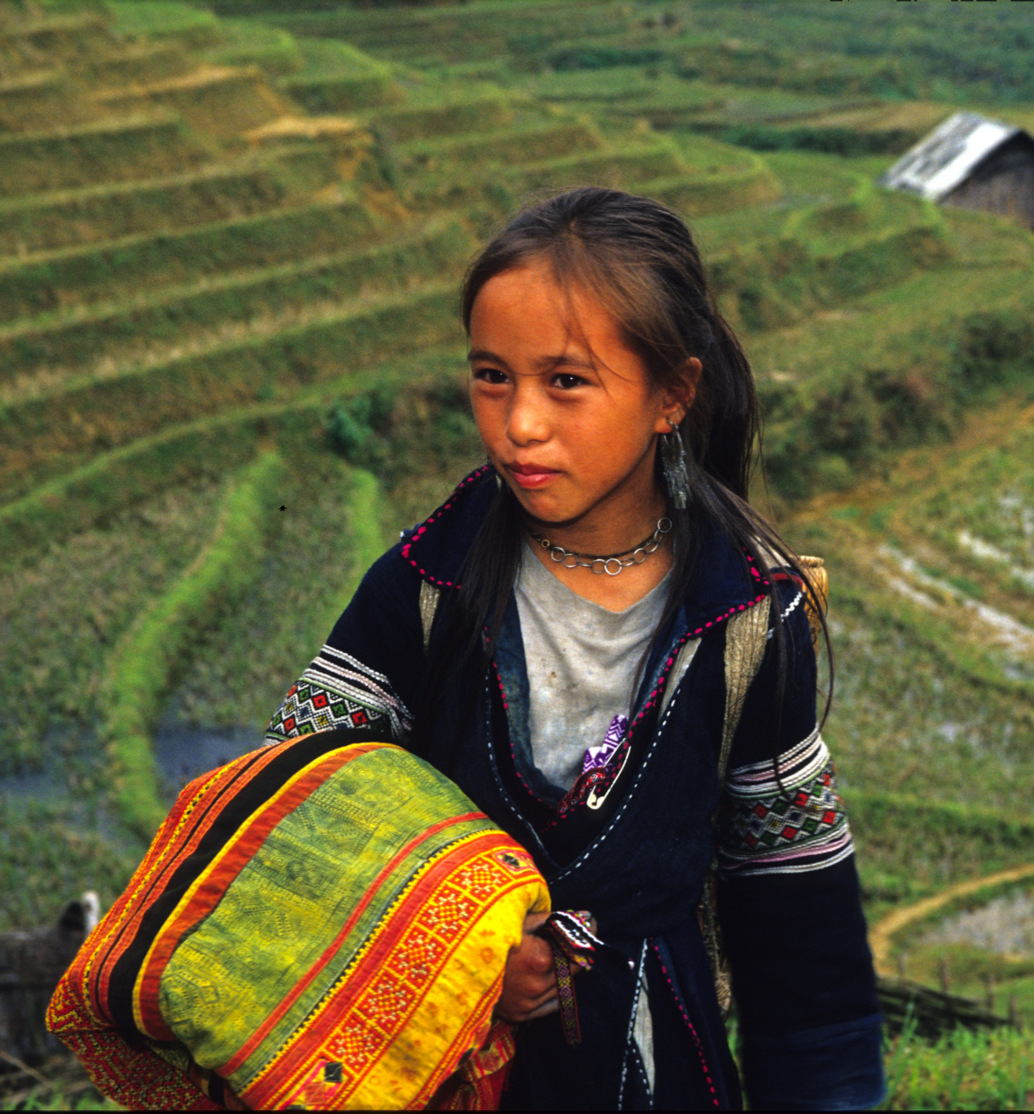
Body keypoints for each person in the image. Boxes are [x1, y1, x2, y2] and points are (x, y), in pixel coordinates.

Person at [262, 187, 884, 1109]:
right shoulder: (426, 589)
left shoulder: (748, 619)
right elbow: (293, 807)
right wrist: (462, 950)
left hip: (661, 1066)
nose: (519, 424)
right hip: (446, 1073)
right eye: (491, 377)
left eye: (565, 382)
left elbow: (797, 915)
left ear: (672, 393)